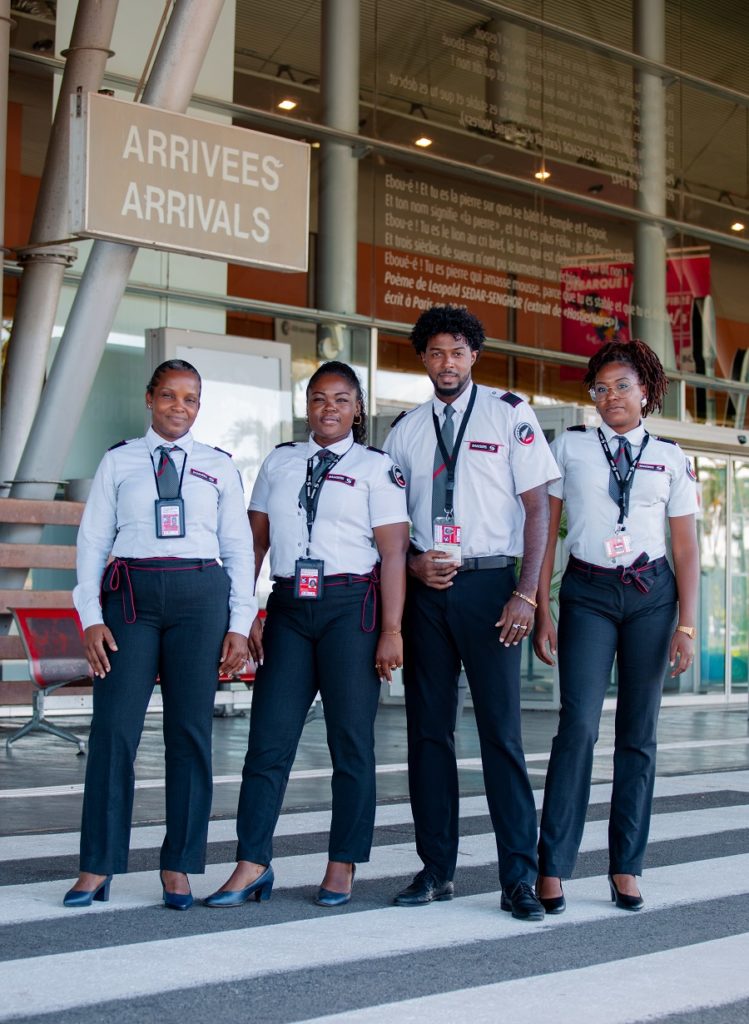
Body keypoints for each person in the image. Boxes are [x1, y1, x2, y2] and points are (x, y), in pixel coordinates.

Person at [204, 361, 409, 909]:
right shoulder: (280, 460)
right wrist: (243, 614)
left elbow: (393, 554)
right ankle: (252, 863)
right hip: (291, 607)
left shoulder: (376, 467)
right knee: (268, 742)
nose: (329, 409)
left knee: (350, 743)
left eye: (341, 399)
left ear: (357, 408)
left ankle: (341, 864)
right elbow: (253, 545)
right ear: (307, 405)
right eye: (319, 399)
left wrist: (392, 630)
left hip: (353, 611)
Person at [383, 305, 559, 921]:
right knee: (428, 734)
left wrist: (528, 594)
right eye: (435, 353)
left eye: (457, 351)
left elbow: (538, 512)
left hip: (492, 590)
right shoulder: (404, 430)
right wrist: (410, 567)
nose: (447, 363)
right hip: (430, 593)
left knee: (500, 736)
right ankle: (436, 869)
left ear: (474, 355)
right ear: (423, 360)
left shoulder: (510, 416)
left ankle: (518, 877)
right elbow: (388, 527)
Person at [64, 359, 255, 910]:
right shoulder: (119, 460)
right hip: (130, 598)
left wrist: (240, 623)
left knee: (190, 734)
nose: (179, 406)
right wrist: (91, 616)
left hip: (200, 598)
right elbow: (93, 541)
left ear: (199, 406)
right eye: (169, 395)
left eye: (190, 399)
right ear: (149, 398)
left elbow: (239, 548)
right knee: (114, 731)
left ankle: (179, 866)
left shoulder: (218, 466)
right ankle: (97, 865)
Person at [534, 339, 699, 913]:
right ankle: (552, 865)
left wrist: (688, 626)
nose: (609, 398)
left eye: (621, 386)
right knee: (577, 725)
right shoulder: (571, 448)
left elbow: (686, 548)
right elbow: (544, 533)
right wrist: (540, 608)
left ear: (647, 391)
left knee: (639, 734)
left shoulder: (671, 457)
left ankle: (626, 865)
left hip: (652, 596)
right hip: (589, 592)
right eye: (600, 389)